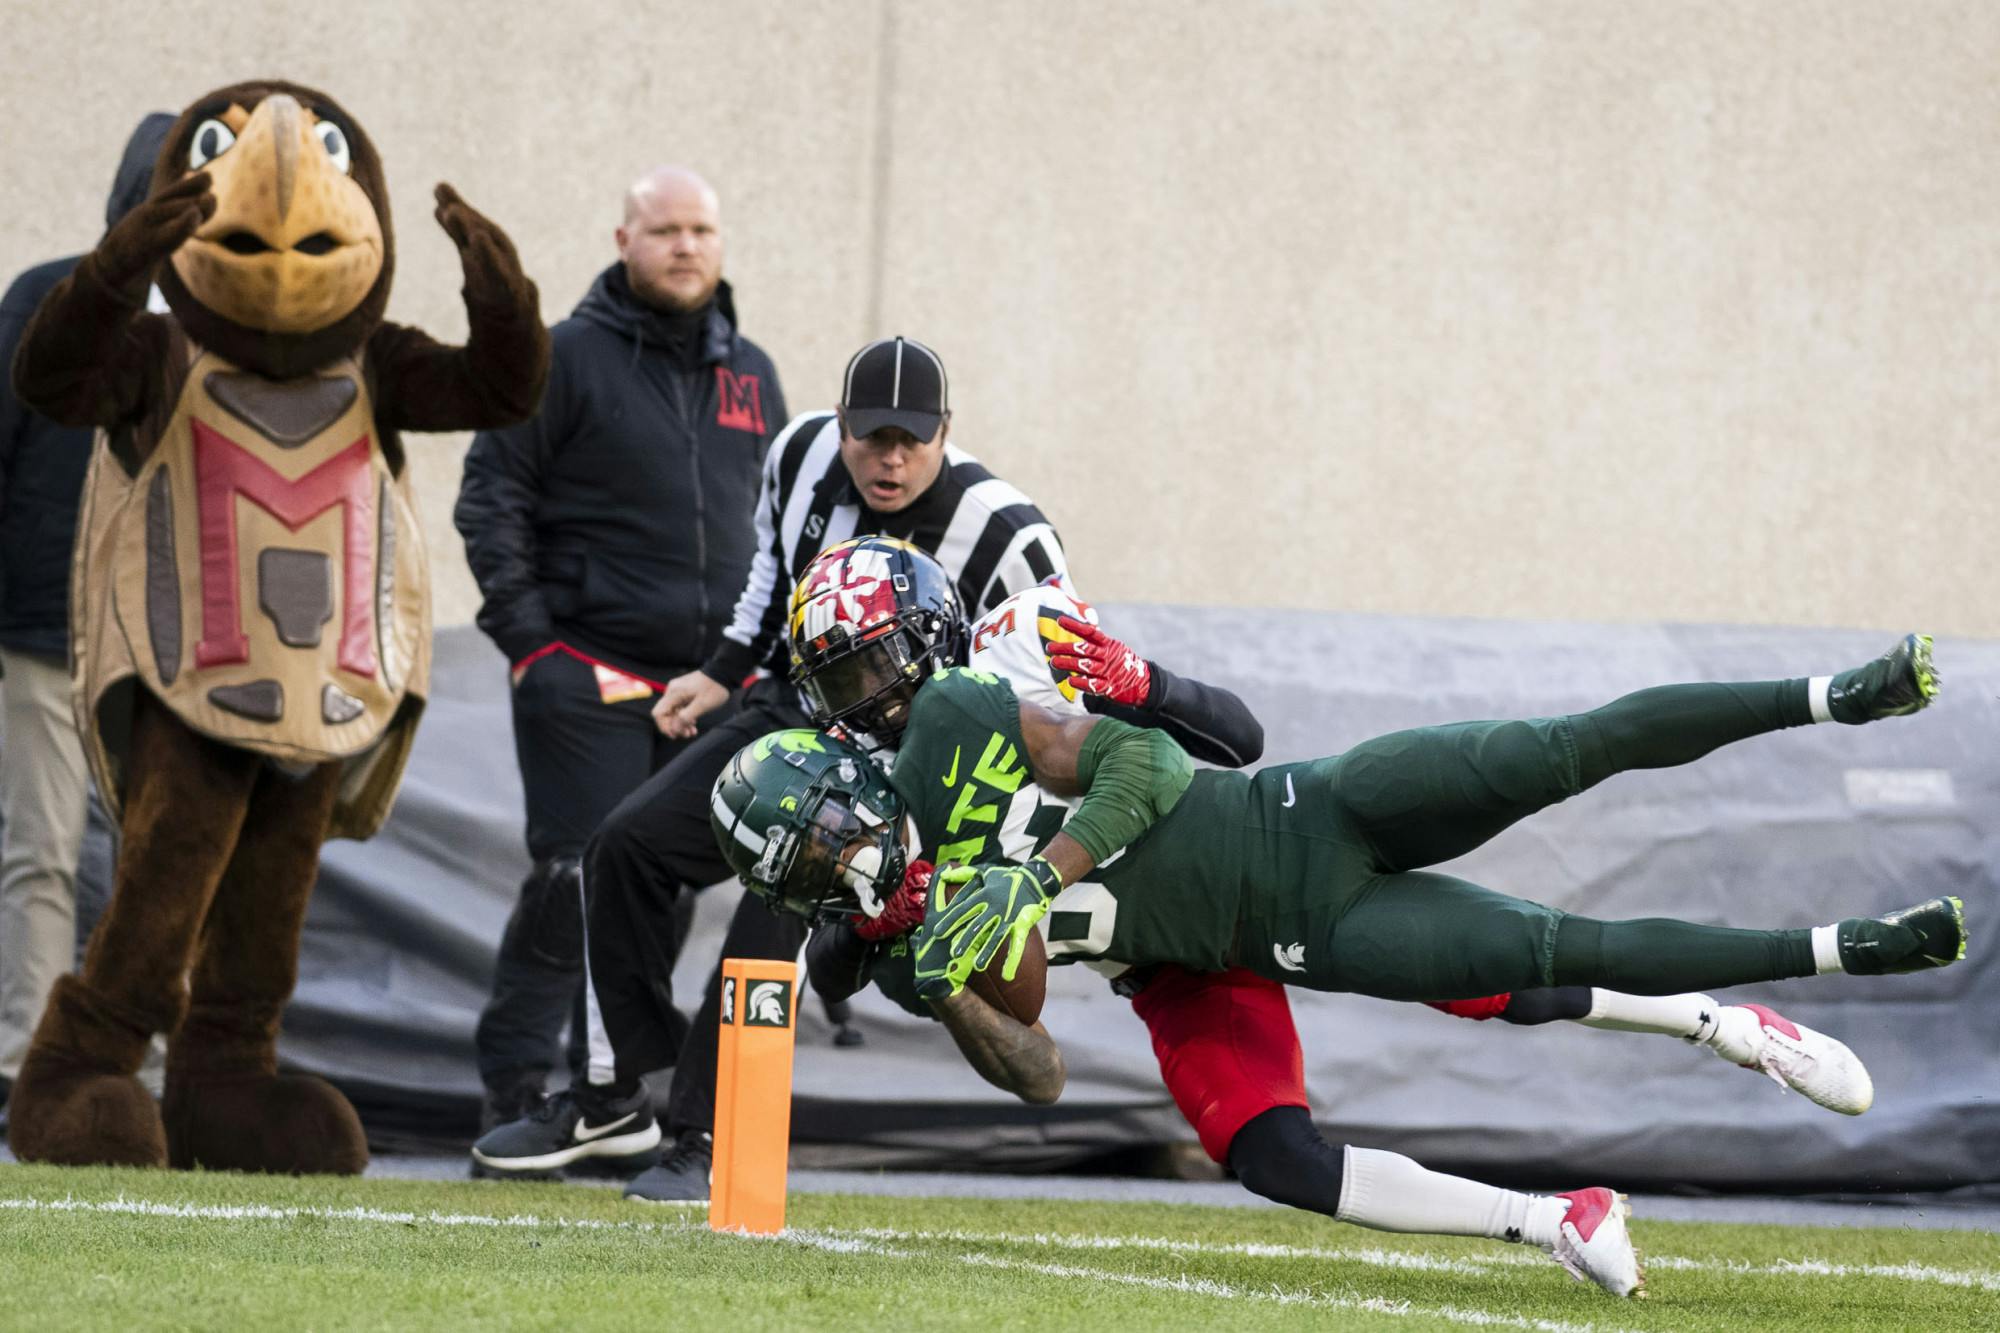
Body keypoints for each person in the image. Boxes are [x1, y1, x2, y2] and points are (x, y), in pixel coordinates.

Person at [713, 634, 1961, 1299]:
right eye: (815, 857)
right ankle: (1552, 1220)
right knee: (1275, 1150)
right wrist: (942, 970)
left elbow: (1153, 762)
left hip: (1297, 817)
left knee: (1558, 756)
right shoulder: (888, 942)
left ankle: (1808, 757)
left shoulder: (954, 725)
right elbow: (1036, 1069)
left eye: (834, 822)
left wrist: (1026, 877)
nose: (842, 851)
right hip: (1194, 956)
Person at [470, 338, 1069, 1195]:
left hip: (915, 757)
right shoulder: (800, 451)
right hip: (799, 706)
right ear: (840, 424)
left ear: (947, 430)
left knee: (780, 884)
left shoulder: (1009, 536)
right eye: (871, 437)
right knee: (623, 844)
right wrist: (717, 674)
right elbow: (774, 583)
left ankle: (713, 1133)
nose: (889, 458)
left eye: (911, 438)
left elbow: (1055, 684)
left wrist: (977, 821)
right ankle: (615, 1097)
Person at [453, 166, 785, 1138]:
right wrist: (534, 650)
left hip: (709, 691)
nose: (685, 246)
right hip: (584, 677)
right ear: (622, 240)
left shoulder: (752, 375)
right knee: (570, 888)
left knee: (656, 894)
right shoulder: (560, 359)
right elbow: (490, 499)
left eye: (701, 231)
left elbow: (776, 526)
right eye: (664, 230)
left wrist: (750, 663)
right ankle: (516, 1095)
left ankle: (611, 1107)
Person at [0, 111, 176, 1120]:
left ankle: (141, 1067)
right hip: (38, 632)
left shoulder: (216, 326)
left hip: (167, 647)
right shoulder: (43, 297)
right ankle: (29, 1061)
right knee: (43, 853)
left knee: (160, 861)